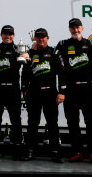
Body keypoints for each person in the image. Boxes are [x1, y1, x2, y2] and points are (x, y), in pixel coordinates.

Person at [55, 18, 92, 165]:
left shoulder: (91, 44)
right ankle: (77, 152)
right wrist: (61, 89)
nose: (75, 30)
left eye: (77, 28)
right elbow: (57, 66)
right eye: (72, 28)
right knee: (72, 123)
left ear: (82, 28)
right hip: (70, 89)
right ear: (69, 29)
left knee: (91, 123)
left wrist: (87, 70)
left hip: (87, 88)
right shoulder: (63, 44)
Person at [21, 28, 64, 163]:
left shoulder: (54, 52)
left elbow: (62, 73)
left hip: (50, 93)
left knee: (52, 124)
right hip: (34, 94)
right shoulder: (29, 53)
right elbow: (25, 73)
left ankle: (56, 152)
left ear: (47, 38)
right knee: (32, 123)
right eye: (38, 37)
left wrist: (62, 92)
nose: (41, 39)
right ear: (35, 39)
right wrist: (24, 90)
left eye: (43, 37)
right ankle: (30, 151)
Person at [0, 25, 27, 159]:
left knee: (16, 120)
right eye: (5, 34)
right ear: (1, 35)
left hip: (13, 89)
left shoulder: (19, 49)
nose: (7, 36)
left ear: (14, 35)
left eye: (10, 34)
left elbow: (30, 61)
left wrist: (28, 55)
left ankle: (17, 150)